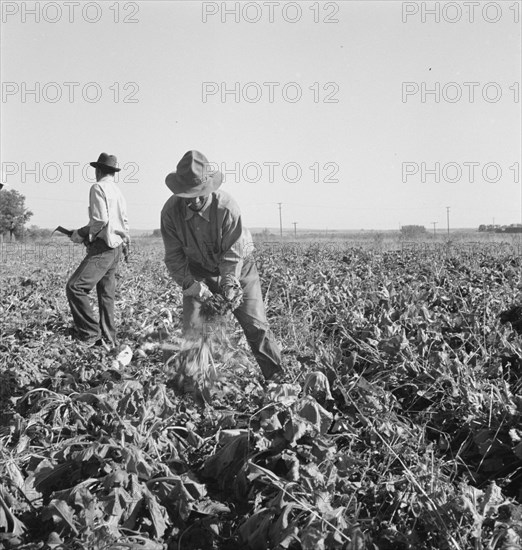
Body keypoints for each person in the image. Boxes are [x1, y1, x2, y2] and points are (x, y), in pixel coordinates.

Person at [160, 150, 284, 382]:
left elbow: (232, 255)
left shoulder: (226, 208)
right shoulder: (170, 213)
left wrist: (229, 284)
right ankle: (195, 386)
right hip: (198, 272)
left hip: (239, 269)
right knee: (193, 328)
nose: (194, 201)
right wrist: (190, 285)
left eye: (199, 194)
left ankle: (278, 381)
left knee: (256, 326)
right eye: (188, 195)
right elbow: (174, 257)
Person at [66, 152, 129, 348]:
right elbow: (123, 222)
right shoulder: (117, 191)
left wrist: (83, 233)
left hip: (104, 248)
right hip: (117, 246)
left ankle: (90, 335)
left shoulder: (97, 187)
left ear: (98, 170)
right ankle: (109, 338)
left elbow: (100, 220)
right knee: (106, 294)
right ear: (114, 172)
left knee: (75, 287)